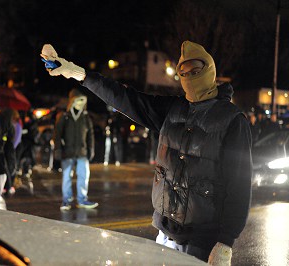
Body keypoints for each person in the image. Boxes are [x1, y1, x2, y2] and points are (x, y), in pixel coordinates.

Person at [41, 41, 252, 264]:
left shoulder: (232, 121)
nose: (189, 77)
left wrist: (225, 243)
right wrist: (79, 74)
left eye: (196, 71)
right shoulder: (173, 109)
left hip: (203, 242)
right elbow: (125, 98)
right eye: (183, 73)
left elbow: (239, 185)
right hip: (165, 232)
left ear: (209, 69)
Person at [53, 88, 97, 211]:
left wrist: (91, 148)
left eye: (83, 101)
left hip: (82, 152)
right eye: (78, 100)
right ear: (72, 101)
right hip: (67, 152)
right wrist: (57, 150)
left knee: (83, 175)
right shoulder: (64, 116)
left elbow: (90, 135)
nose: (81, 104)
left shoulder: (86, 117)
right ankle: (66, 200)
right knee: (67, 177)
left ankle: (82, 199)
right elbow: (57, 134)